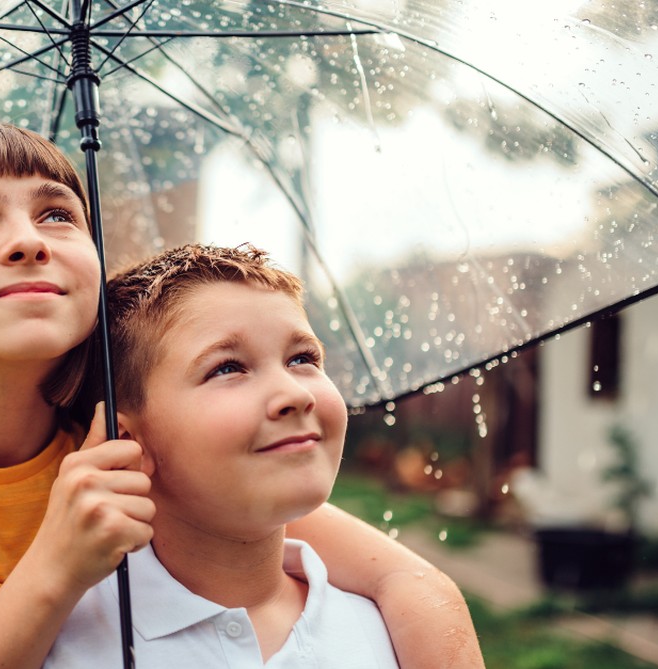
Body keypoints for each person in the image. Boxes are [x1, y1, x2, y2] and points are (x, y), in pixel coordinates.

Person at [0, 122, 482, 669]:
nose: (29, 240)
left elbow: (407, 578)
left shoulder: (127, 442)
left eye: (58, 214)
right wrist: (57, 566)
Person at [46, 244, 406, 668]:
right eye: (228, 368)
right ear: (128, 441)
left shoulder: (390, 633)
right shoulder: (57, 644)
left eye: (302, 359)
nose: (295, 394)